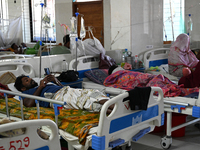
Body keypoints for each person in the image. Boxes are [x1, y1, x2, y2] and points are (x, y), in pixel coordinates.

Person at [14, 74, 113, 113]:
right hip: (57, 98)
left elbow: (62, 88)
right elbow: (28, 104)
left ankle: (117, 106)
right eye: (27, 80)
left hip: (67, 90)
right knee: (86, 101)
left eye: (29, 78)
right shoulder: (26, 93)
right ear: (23, 88)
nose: (30, 79)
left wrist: (56, 81)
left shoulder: (40, 86)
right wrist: (40, 87)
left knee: (93, 93)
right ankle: (113, 112)